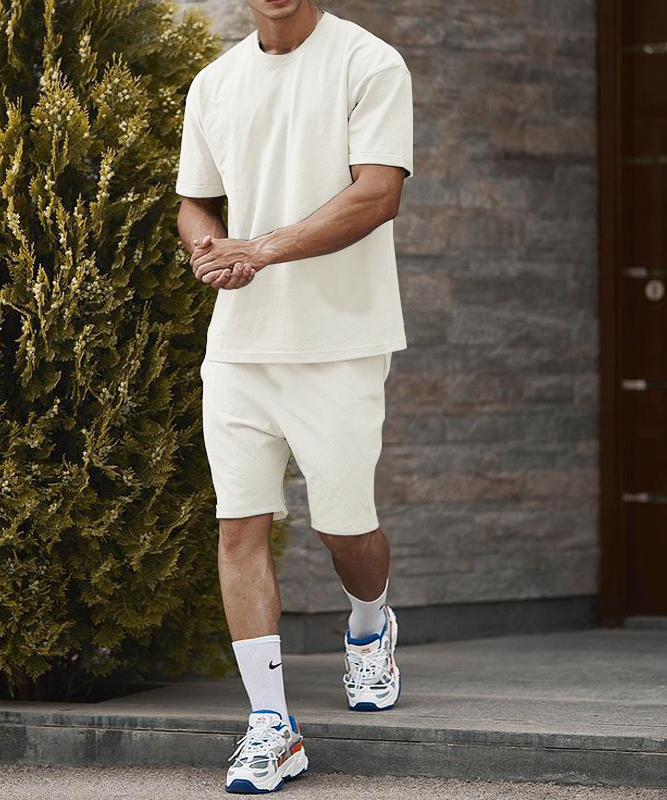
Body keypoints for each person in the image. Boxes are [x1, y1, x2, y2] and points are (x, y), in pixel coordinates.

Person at [175, 0, 412, 793]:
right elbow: (195, 200)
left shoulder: (369, 63)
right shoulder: (214, 84)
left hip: (340, 343)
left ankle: (370, 624)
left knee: (344, 526)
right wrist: (208, 250)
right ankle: (271, 726)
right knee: (239, 526)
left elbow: (377, 194)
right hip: (239, 348)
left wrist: (264, 248)